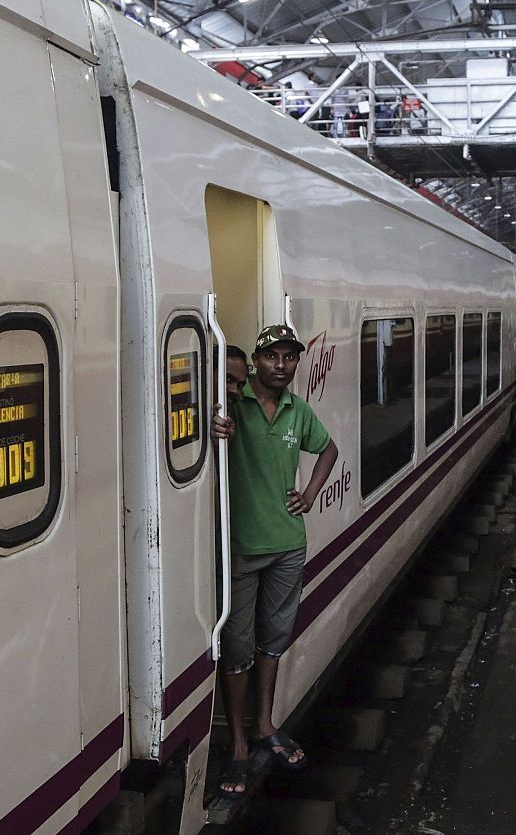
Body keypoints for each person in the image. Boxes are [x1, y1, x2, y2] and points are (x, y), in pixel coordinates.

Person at [211, 325, 340, 796]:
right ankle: (239, 745)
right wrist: (213, 425)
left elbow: (328, 449)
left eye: (289, 357)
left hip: (288, 545)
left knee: (272, 642)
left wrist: (309, 494)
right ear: (257, 364)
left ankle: (265, 726)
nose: (281, 365)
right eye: (272, 357)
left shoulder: (296, 410)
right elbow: (206, 430)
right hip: (242, 548)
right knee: (238, 649)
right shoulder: (232, 405)